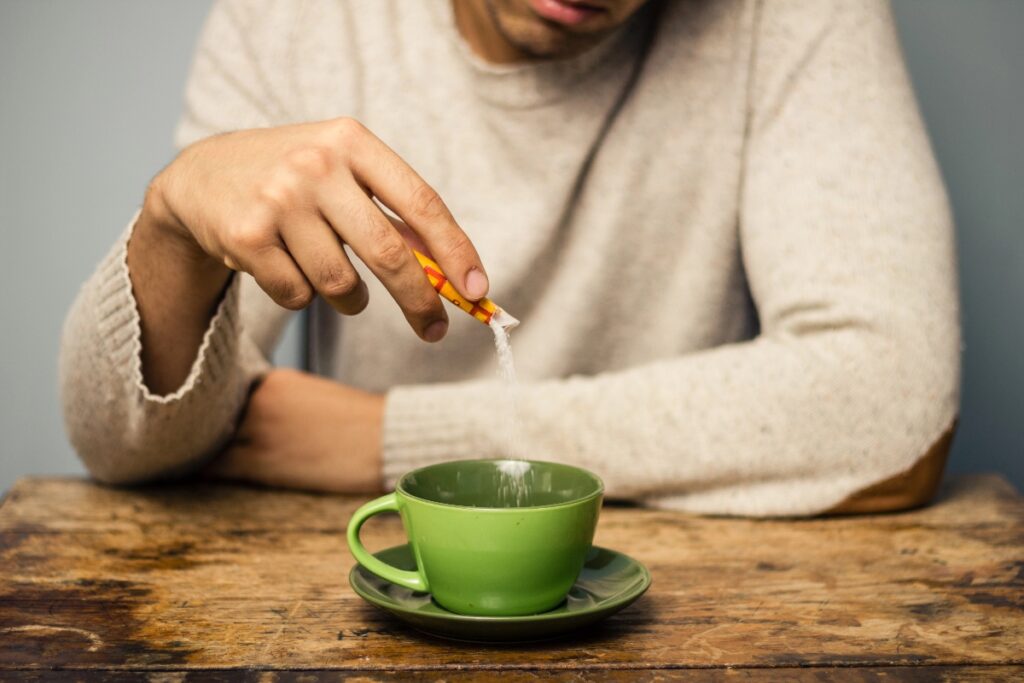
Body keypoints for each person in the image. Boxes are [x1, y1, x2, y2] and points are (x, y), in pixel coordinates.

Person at [59, 0, 960, 517]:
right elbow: (129, 447)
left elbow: (894, 402)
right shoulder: (296, 18)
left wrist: (382, 441)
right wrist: (173, 230)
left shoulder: (796, 16)